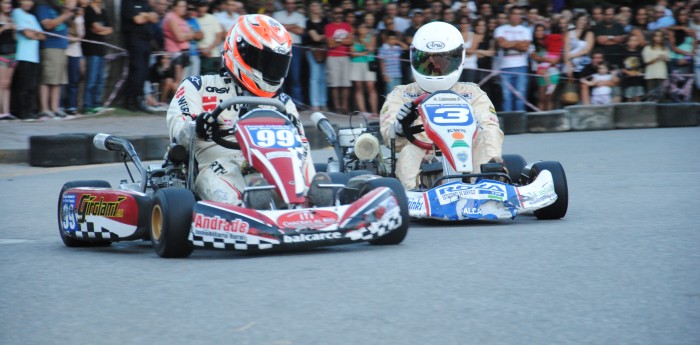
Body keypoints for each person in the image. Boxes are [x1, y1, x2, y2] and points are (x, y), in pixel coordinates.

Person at [166, 14, 315, 205]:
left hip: (273, 164)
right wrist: (197, 126)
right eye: (266, 61)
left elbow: (302, 146)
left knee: (300, 162)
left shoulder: (282, 102)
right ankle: (244, 211)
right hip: (219, 164)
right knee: (227, 183)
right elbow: (177, 134)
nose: (272, 69)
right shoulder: (198, 86)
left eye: (277, 63)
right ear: (241, 52)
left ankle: (311, 200)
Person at [379, 21, 503, 189]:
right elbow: (390, 140)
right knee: (408, 151)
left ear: (457, 59)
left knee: (488, 133)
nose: (434, 66)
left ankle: (489, 181)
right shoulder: (401, 95)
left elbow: (489, 124)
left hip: (465, 152)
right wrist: (400, 127)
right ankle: (421, 188)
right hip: (423, 153)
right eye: (427, 61)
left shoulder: (472, 93)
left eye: (441, 60)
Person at [35, 0, 75, 119]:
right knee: (47, 78)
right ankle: (44, 109)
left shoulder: (57, 7)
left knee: (58, 80)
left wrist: (68, 12)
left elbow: (69, 25)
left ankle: (55, 108)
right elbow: (48, 25)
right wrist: (65, 15)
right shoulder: (43, 6)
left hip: (62, 46)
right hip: (50, 46)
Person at [122, 0, 158, 112]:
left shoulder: (145, 3)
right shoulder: (128, 3)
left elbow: (155, 18)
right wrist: (147, 16)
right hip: (135, 40)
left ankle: (139, 99)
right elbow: (137, 20)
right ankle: (130, 100)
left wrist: (145, 15)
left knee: (144, 72)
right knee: (137, 70)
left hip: (146, 41)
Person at [494, 6, 531, 112]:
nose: (516, 16)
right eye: (514, 13)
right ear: (510, 15)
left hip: (521, 66)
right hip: (505, 67)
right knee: (507, 97)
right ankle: (509, 124)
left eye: (519, 14)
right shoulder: (500, 29)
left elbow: (525, 47)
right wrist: (519, 43)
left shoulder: (526, 30)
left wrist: (509, 43)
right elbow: (502, 44)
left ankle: (520, 123)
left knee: (521, 96)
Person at [82, 0, 113, 115]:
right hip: (91, 49)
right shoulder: (88, 10)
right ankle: (87, 105)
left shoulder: (103, 10)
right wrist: (101, 29)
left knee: (100, 79)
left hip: (101, 49)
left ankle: (97, 103)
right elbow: (95, 27)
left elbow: (110, 29)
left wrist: (100, 30)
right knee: (91, 79)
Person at [194, 0, 223, 75]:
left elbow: (219, 36)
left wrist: (208, 49)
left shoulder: (213, 18)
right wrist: (201, 51)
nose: (201, 9)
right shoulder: (194, 20)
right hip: (199, 56)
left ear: (207, 7)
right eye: (200, 6)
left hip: (214, 55)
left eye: (203, 6)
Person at [0, 0, 17, 120]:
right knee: (1, 84)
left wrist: (14, 29)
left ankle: (6, 111)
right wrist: (3, 28)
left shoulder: (11, 18)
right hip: (2, 53)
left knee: (7, 84)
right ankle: (1, 111)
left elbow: (15, 38)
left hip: (12, 53)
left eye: (9, 3)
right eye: (5, 3)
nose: (8, 6)